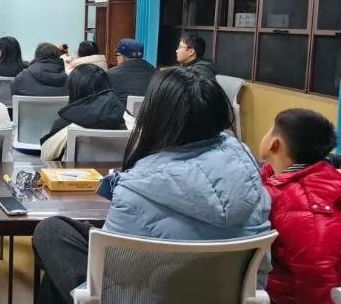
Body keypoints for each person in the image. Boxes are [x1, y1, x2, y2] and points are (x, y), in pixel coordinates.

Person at [33, 67, 272, 304]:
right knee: (58, 236)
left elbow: (114, 274)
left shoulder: (135, 190)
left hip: (145, 294)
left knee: (50, 237)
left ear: (155, 116)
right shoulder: (247, 169)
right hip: (223, 293)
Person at [258, 109, 341, 304]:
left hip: (285, 297)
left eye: (270, 129)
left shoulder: (306, 206)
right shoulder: (284, 174)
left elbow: (317, 276)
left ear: (274, 144)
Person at [40, 64, 127, 160]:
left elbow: (45, 155)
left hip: (76, 169)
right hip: (120, 169)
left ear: (74, 89)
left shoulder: (65, 124)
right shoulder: (127, 118)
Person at [106, 38, 157, 107]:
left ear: (122, 57)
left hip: (122, 113)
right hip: (152, 112)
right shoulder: (156, 73)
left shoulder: (110, 74)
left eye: (117, 56)